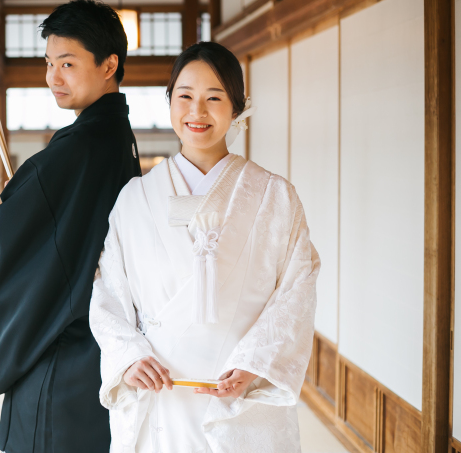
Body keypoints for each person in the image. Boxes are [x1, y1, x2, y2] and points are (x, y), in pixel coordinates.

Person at [90, 42, 319, 453]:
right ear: (170, 102)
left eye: (214, 98)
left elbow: (298, 287)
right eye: (185, 97)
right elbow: (108, 292)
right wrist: (128, 357)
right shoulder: (135, 198)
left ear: (237, 107)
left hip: (237, 390)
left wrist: (254, 365)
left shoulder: (275, 197)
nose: (197, 112)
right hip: (159, 392)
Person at [0, 0, 141, 453]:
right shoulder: (112, 134)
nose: (54, 77)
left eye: (68, 63)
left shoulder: (86, 145)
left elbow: (30, 237)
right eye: (49, 63)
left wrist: (19, 200)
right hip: (89, 345)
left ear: (109, 64)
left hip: (61, 350)